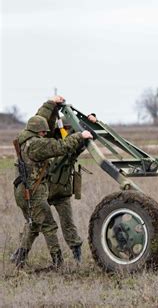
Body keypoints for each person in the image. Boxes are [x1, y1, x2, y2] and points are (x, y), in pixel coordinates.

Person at [13, 96, 93, 269]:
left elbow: (40, 120)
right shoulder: (39, 144)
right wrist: (80, 135)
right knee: (45, 225)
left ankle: (20, 257)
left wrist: (51, 104)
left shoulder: (26, 138)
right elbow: (60, 146)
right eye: (42, 130)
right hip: (35, 191)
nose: (45, 131)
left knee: (40, 224)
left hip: (46, 189)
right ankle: (56, 261)